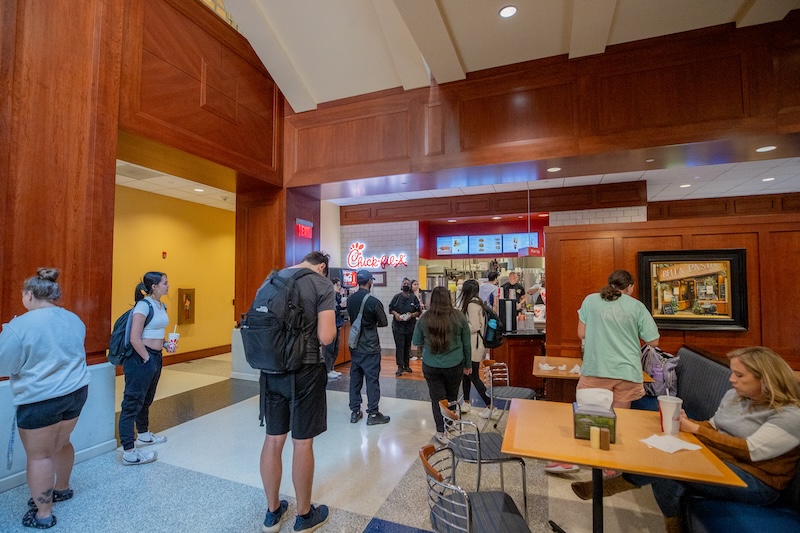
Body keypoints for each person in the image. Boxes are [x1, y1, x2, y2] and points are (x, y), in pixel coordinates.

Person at [571, 346, 800, 533]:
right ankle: (672, 524)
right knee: (666, 456)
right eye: (732, 372)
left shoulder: (789, 416)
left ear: (766, 379)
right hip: (721, 458)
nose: (731, 380)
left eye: (739, 375)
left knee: (671, 467)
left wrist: (697, 430)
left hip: (757, 481)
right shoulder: (736, 396)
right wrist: (687, 423)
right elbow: (714, 425)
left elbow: (751, 451)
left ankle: (614, 486)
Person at [0, 268, 91, 529]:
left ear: (29, 295)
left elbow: (4, 365)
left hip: (41, 399)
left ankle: (43, 514)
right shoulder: (74, 319)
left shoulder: (19, 326)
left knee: (39, 456)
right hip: (76, 392)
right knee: (62, 443)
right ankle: (62, 488)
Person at [546, 269, 659, 475]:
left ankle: (570, 460)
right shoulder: (637, 306)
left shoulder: (591, 300)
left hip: (597, 367)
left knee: (588, 419)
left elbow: (581, 333)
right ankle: (609, 466)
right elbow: (653, 341)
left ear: (609, 283)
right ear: (630, 287)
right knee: (618, 422)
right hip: (627, 371)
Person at [259, 251, 336, 533]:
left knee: (273, 439)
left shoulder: (270, 279)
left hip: (270, 370)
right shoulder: (321, 283)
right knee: (302, 443)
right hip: (305, 370)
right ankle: (304, 516)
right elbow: (326, 336)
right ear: (322, 266)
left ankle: (272, 513)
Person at [118, 271, 176, 467]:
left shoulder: (161, 305)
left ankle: (143, 433)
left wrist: (165, 344)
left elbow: (155, 331)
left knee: (146, 398)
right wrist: (146, 358)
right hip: (141, 357)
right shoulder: (143, 305)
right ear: (154, 286)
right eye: (165, 283)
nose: (168, 286)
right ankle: (129, 451)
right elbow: (135, 337)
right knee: (132, 402)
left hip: (155, 356)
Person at [412, 286, 472, 444]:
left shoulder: (425, 318)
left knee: (437, 399)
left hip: (431, 364)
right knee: (452, 397)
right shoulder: (459, 317)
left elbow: (416, 341)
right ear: (449, 299)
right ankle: (449, 424)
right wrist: (468, 364)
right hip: (455, 364)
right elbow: (467, 344)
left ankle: (440, 431)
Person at [346, 270, 391, 425]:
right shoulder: (373, 301)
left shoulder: (350, 299)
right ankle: (373, 413)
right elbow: (383, 322)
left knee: (355, 379)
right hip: (370, 346)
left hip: (355, 345)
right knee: (372, 380)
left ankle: (355, 411)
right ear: (370, 281)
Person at [458, 280, 494, 419]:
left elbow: (474, 326)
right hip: (474, 344)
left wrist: (460, 325)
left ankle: (491, 406)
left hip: (473, 345)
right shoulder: (477, 302)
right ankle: (466, 403)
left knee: (472, 375)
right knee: (465, 374)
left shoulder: (471, 304)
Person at [389, 277, 421, 375]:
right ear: (401, 285)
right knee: (399, 346)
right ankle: (400, 366)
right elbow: (391, 309)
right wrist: (396, 314)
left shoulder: (413, 298)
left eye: (408, 284)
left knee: (407, 346)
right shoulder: (396, 297)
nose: (406, 285)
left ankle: (407, 365)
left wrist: (412, 315)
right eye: (404, 284)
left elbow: (418, 311)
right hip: (398, 326)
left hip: (409, 326)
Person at [323, 278, 345, 380]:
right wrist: (340, 306)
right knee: (329, 349)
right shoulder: (329, 297)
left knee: (335, 348)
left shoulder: (337, 296)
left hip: (337, 324)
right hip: (331, 326)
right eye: (337, 285)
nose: (339, 287)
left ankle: (331, 368)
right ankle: (327, 370)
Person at [409, 280, 424, 361]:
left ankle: (421, 354)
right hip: (412, 318)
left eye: (417, 284)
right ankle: (410, 354)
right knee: (410, 337)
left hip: (420, 317)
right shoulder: (409, 295)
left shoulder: (420, 294)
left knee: (421, 335)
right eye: (415, 284)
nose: (416, 286)